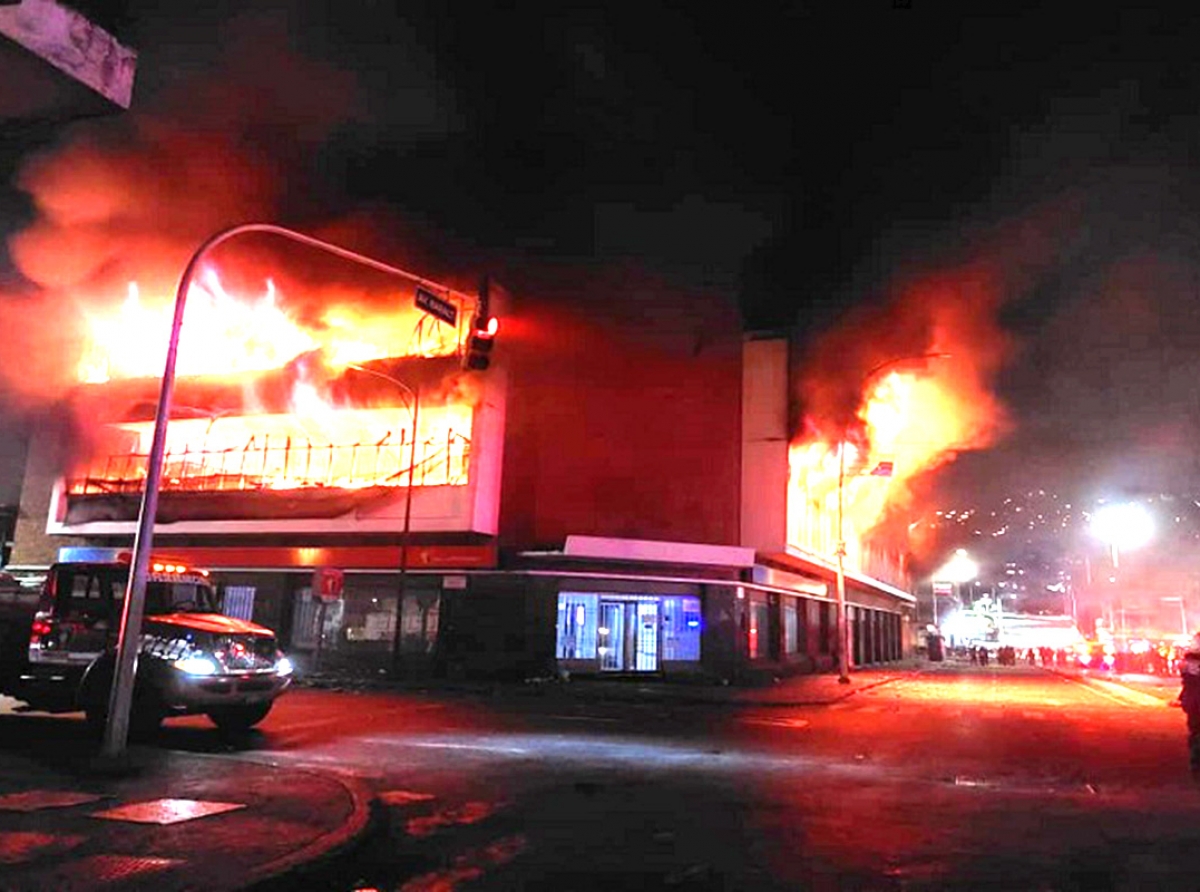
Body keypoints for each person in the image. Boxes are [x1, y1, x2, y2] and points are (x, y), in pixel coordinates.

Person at [1177, 632, 1200, 780]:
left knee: (1195, 732)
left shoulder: (1187, 662)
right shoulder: (1190, 663)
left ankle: (1195, 762)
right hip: (1195, 702)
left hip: (1192, 702)